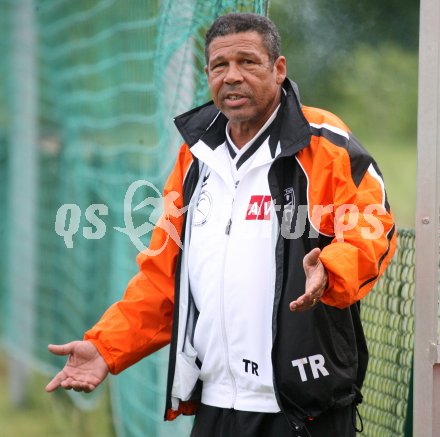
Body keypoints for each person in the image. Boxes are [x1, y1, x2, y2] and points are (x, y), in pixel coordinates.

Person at [46, 13, 396, 437]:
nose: (232, 77)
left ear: (278, 69)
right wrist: (106, 347)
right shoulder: (195, 159)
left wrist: (332, 268)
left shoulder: (323, 142)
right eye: (219, 66)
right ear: (207, 74)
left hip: (302, 407)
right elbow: (164, 280)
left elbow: (372, 225)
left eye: (248, 62)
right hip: (215, 406)